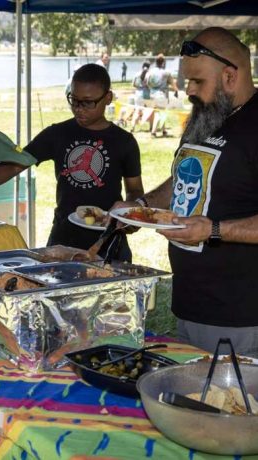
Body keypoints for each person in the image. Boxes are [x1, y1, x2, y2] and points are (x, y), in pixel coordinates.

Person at [112, 27, 258, 357]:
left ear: (230, 76)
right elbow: (183, 176)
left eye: (197, 82)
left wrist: (214, 230)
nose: (187, 91)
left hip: (241, 316)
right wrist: (140, 206)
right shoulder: (206, 116)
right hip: (190, 303)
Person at [0, 63, 143, 261]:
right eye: (74, 100)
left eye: (87, 102)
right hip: (64, 235)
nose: (78, 109)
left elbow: (135, 189)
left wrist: (130, 212)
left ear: (108, 98)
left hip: (109, 240)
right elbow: (16, 163)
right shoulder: (58, 134)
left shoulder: (124, 141)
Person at [145, 53, 179, 137]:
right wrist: (176, 91)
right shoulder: (166, 73)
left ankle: (164, 130)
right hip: (161, 95)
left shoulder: (150, 71)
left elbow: (146, 82)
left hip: (152, 94)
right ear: (163, 62)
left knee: (161, 112)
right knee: (159, 113)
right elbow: (173, 83)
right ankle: (153, 131)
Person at [130, 61, 154, 133]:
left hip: (138, 94)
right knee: (151, 111)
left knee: (137, 111)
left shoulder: (137, 74)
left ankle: (133, 127)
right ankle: (151, 127)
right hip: (147, 95)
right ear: (149, 67)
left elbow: (133, 84)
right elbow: (150, 85)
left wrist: (139, 86)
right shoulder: (149, 74)